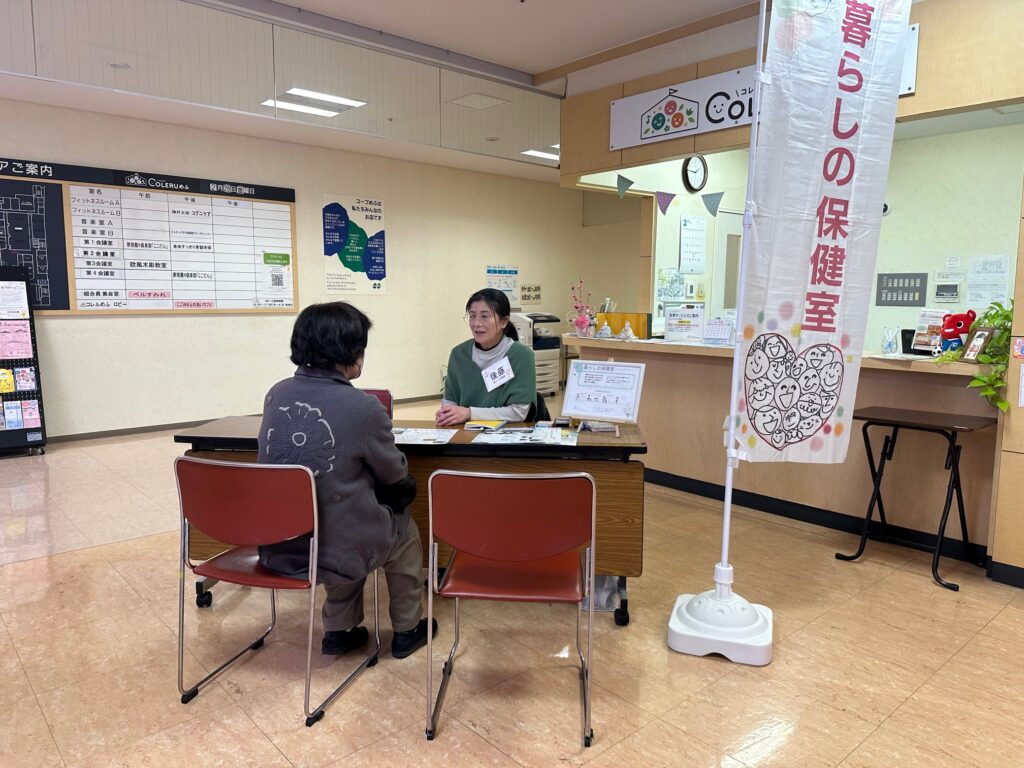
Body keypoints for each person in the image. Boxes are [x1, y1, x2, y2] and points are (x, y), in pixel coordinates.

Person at [258, 301, 435, 658]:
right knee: (399, 529)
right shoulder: (364, 407)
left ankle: (339, 630)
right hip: (338, 545)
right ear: (352, 352)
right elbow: (394, 475)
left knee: (341, 511)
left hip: (283, 543)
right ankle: (407, 628)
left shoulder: (276, 394)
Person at [436, 288, 537, 426]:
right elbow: (450, 398)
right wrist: (448, 414)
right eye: (472, 316)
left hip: (505, 432)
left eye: (484, 316)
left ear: (504, 322)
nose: (476, 323)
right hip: (464, 432)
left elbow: (518, 412)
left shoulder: (521, 356)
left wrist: (469, 413)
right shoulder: (458, 354)